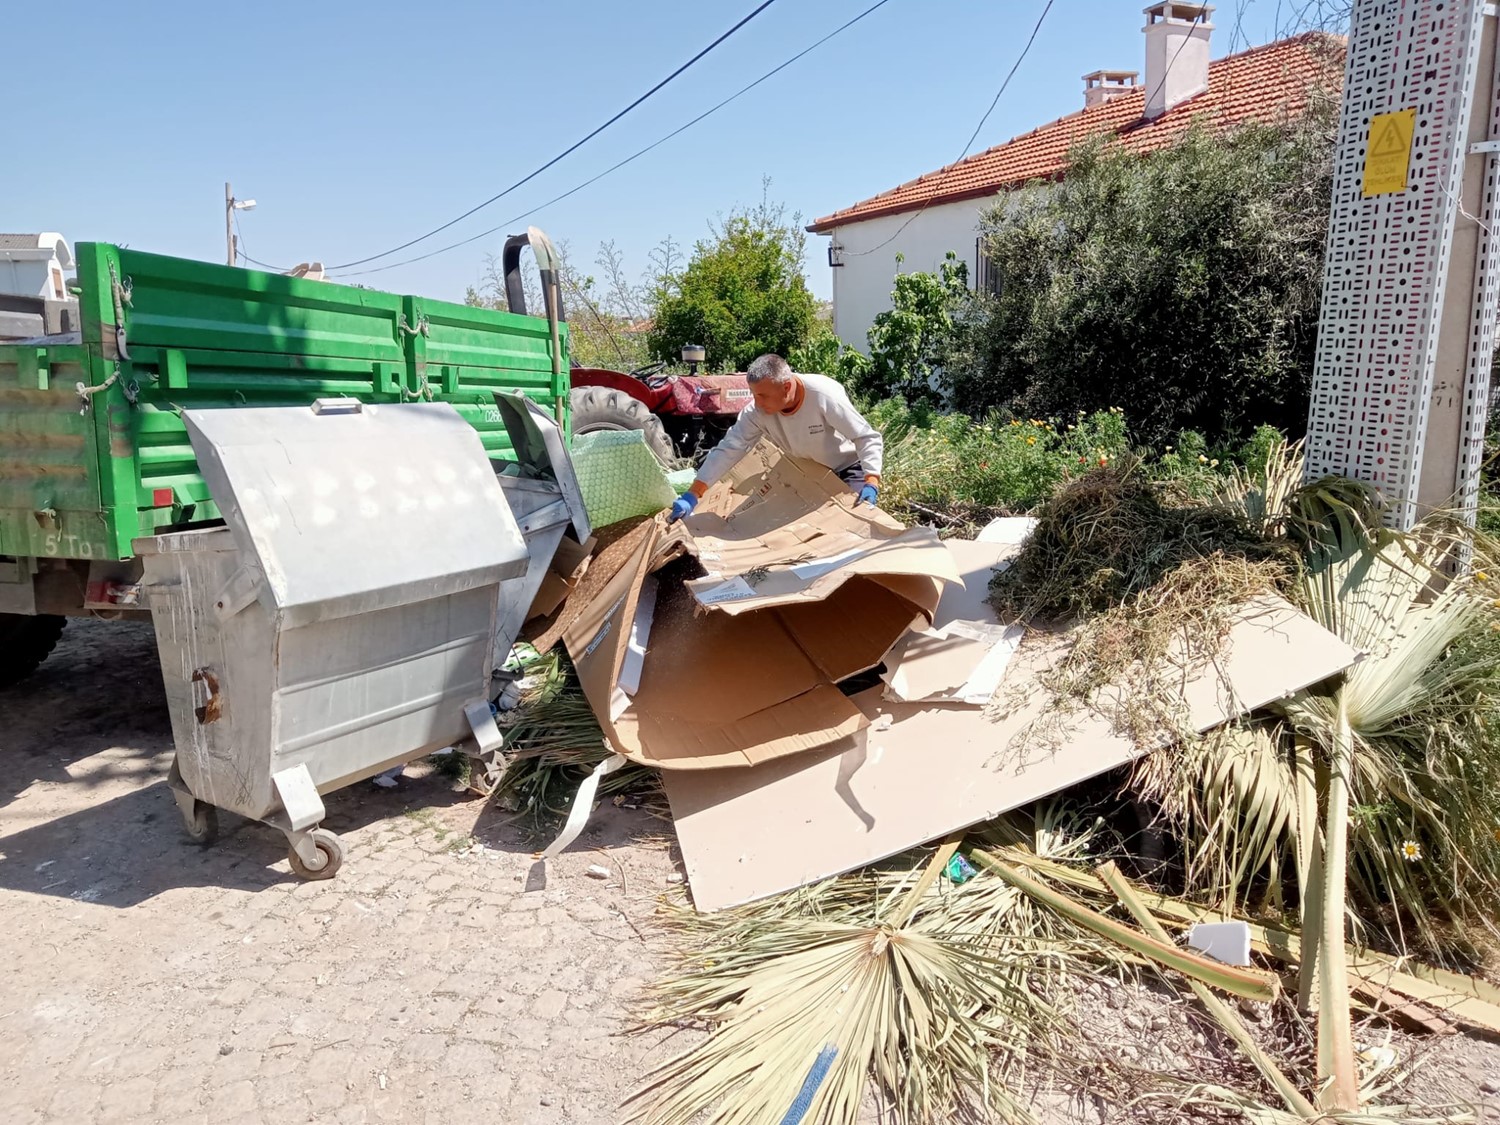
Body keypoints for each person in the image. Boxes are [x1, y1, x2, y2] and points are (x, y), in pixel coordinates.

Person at [667, 354, 884, 523]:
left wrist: (871, 481)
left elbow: (866, 437)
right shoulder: (756, 412)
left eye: (763, 395)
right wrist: (693, 495)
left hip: (846, 468)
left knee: (855, 521)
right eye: (753, 394)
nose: (757, 402)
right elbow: (729, 449)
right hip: (806, 472)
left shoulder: (823, 396)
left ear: (787, 387)